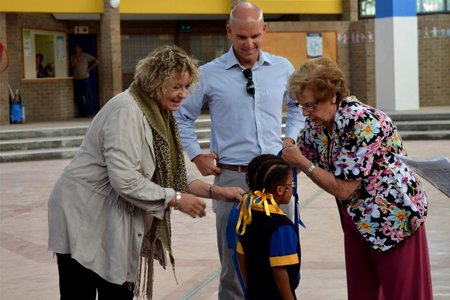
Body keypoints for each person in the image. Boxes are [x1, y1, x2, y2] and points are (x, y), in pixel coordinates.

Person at [48, 45, 244, 300]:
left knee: (118, 288)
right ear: (155, 81)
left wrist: (216, 192)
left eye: (187, 86)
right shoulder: (126, 110)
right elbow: (125, 180)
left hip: (109, 215)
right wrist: (176, 199)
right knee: (85, 291)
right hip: (83, 215)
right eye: (176, 86)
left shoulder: (161, 115)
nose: (183, 94)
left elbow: (178, 172)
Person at [174, 2, 305, 298]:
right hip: (232, 180)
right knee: (234, 262)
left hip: (276, 179)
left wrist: (291, 136)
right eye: (242, 37)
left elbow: (297, 105)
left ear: (265, 30)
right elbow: (181, 116)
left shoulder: (283, 68)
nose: (249, 43)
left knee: (282, 259)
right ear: (229, 32)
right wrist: (196, 154)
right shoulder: (208, 74)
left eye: (256, 36)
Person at [281, 57, 432, 299]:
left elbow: (344, 189)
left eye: (310, 106)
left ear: (331, 94)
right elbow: (294, 157)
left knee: (405, 294)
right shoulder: (317, 126)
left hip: (394, 220)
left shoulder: (361, 122)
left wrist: (303, 163)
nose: (307, 114)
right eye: (302, 107)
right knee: (363, 293)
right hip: (357, 222)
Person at [235, 154, 300, 300]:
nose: (292, 189)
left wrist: (250, 289)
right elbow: (279, 270)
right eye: (291, 185)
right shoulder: (281, 226)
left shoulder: (247, 214)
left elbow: (240, 255)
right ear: (280, 190)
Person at [69, 43, 99, 117]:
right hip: (77, 78)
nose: (77, 49)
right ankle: (81, 113)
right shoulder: (72, 56)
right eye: (76, 48)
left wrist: (90, 69)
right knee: (79, 97)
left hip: (85, 78)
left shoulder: (85, 56)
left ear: (80, 49)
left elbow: (97, 61)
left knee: (88, 96)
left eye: (78, 48)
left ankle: (89, 112)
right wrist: (76, 57)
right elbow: (71, 66)